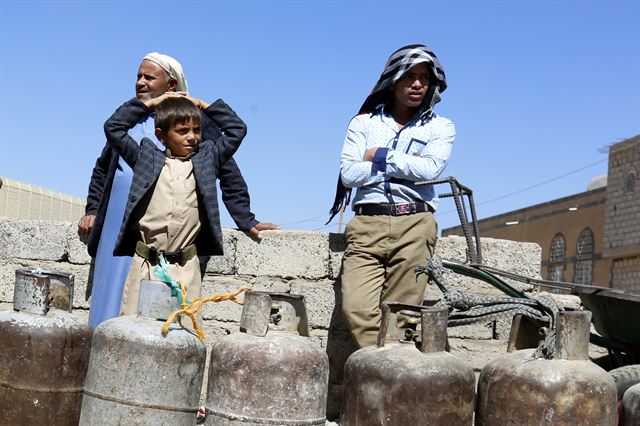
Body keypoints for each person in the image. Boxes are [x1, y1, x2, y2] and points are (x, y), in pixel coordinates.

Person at [79, 52, 276, 329]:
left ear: (171, 85)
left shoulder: (189, 121)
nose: (140, 83)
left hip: (172, 246)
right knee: (115, 303)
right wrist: (92, 209)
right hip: (120, 231)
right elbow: (104, 168)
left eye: (149, 77)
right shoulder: (134, 125)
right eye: (138, 76)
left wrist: (246, 218)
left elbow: (228, 168)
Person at [329, 44, 454, 348]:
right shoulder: (363, 123)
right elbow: (349, 173)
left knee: (403, 315)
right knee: (357, 308)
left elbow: (429, 169)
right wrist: (401, 166)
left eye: (424, 78)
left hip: (415, 223)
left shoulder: (441, 127)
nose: (417, 84)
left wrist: (379, 156)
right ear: (393, 79)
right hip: (367, 224)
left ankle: (386, 381)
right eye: (410, 76)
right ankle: (380, 364)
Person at [104, 93, 246, 314]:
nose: (192, 137)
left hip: (185, 270)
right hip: (145, 268)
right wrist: (151, 104)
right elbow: (114, 127)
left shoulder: (207, 161)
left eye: (196, 130)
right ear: (161, 136)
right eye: (182, 131)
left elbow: (237, 129)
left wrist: (202, 105)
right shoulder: (146, 160)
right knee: (135, 333)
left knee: (182, 336)